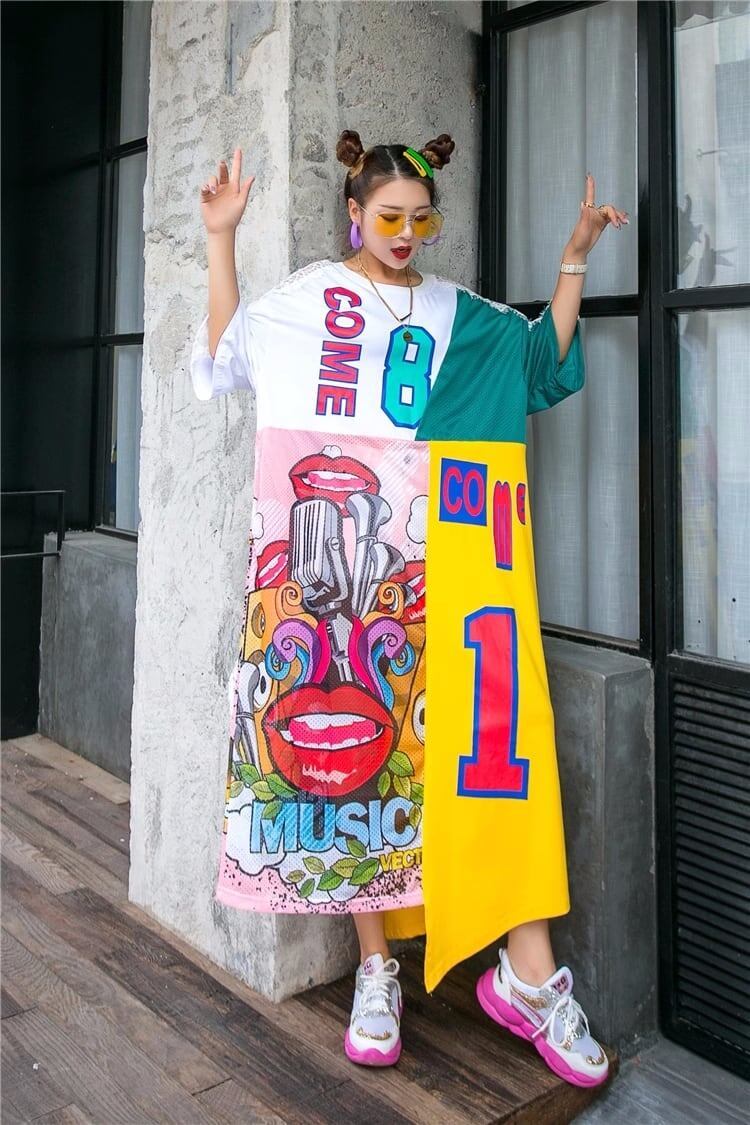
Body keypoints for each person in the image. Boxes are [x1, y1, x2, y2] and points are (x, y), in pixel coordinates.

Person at [190, 130, 629, 1085]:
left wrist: (575, 258)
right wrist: (221, 237)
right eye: (389, 217)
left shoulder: (456, 311)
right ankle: (376, 967)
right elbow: (227, 355)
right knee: (361, 750)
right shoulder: (308, 297)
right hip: (346, 563)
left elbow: (539, 361)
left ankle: (527, 974)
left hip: (454, 559)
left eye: (422, 221)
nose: (405, 235)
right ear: (354, 213)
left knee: (494, 742)